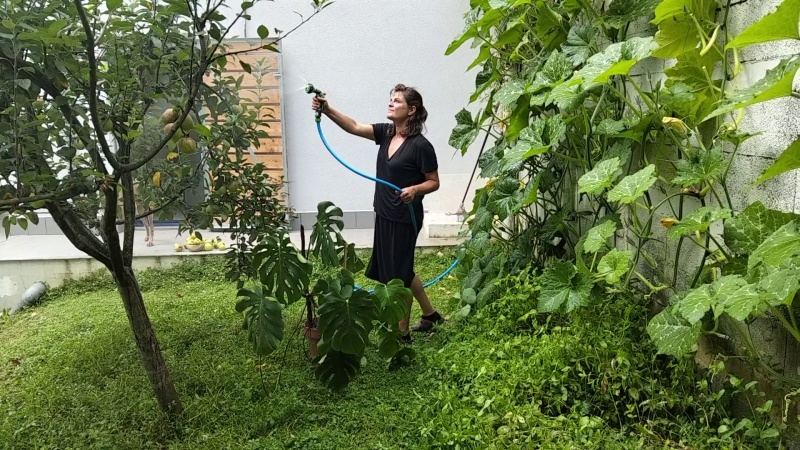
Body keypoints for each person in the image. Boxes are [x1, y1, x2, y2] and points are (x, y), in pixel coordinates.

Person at [311, 84, 444, 340]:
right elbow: (354, 126)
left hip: (405, 217)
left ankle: (401, 334)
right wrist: (327, 110)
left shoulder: (420, 146)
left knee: (398, 277)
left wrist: (415, 189)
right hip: (383, 212)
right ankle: (430, 315)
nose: (391, 103)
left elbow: (434, 181)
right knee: (401, 269)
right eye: (391, 99)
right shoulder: (386, 133)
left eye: (397, 101)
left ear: (412, 110)